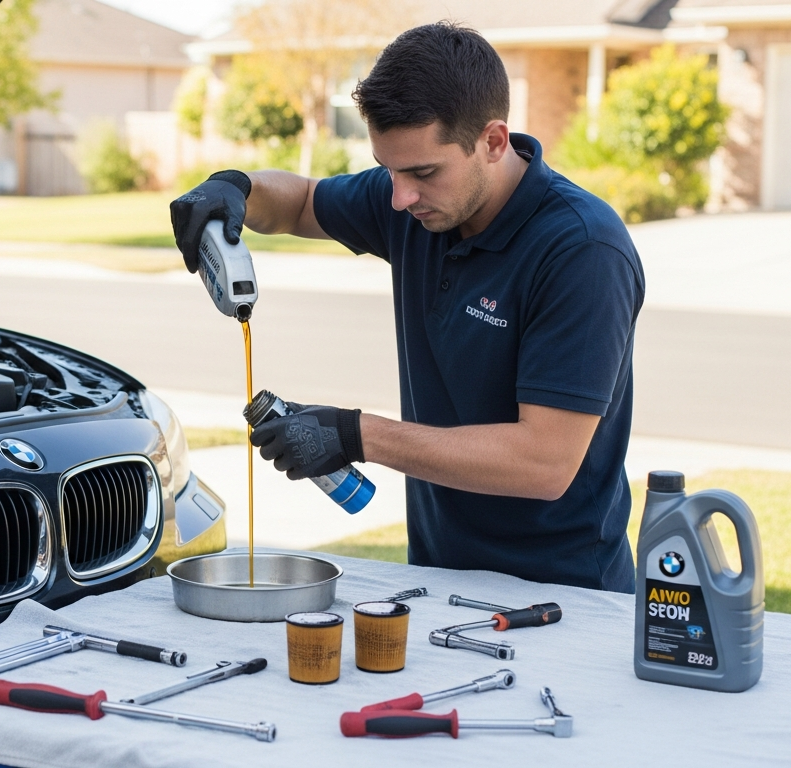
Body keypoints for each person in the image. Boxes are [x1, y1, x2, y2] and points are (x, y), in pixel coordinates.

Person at [169, 23, 645, 593]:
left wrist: (355, 435)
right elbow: (299, 203)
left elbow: (544, 463)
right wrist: (237, 188)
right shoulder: (415, 203)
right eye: (388, 169)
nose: (398, 197)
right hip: (439, 579)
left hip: (566, 597)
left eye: (421, 172)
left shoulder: (582, 251)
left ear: (494, 141)